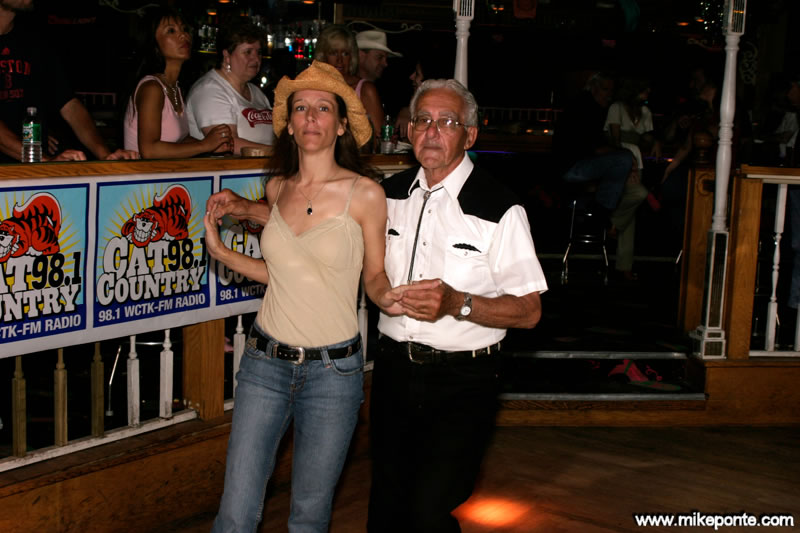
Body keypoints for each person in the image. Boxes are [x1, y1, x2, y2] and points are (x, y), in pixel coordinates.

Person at [203, 60, 428, 532]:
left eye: (323, 108)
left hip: (333, 373)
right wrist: (222, 253)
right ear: (288, 124)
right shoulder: (276, 188)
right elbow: (282, 274)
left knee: (308, 517)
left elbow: (373, 275)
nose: (310, 116)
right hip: (264, 364)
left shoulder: (365, 193)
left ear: (341, 124)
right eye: (300, 108)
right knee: (235, 514)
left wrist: (388, 297)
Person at [367, 78, 548, 532]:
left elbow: (529, 311)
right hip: (392, 370)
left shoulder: (500, 207)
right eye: (422, 120)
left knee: (430, 509)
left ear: (469, 135)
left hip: (462, 379)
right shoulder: (386, 196)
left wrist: (457, 303)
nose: (431, 131)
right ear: (409, 130)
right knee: (386, 506)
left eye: (446, 122)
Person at [0, 0, 138, 162]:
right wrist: (44, 162)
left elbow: (69, 104)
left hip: (33, 166)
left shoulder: (33, 40)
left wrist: (106, 155)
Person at [122, 7, 232, 159]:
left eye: (184, 29)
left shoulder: (175, 88)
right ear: (154, 44)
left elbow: (179, 141)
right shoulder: (152, 88)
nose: (183, 35)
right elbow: (149, 150)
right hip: (144, 174)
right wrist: (204, 145)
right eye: (171, 31)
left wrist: (212, 145)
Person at [553, 72, 634, 224]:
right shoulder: (584, 107)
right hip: (570, 167)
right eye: (605, 89)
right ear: (593, 88)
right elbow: (595, 148)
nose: (609, 95)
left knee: (623, 164)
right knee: (624, 160)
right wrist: (623, 153)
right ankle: (601, 214)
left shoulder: (590, 106)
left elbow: (595, 146)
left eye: (611, 91)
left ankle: (598, 212)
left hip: (571, 166)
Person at [186, 20, 273, 156]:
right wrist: (279, 154)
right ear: (227, 56)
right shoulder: (209, 90)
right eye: (248, 52)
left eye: (259, 52)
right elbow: (227, 144)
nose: (256, 59)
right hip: (230, 170)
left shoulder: (256, 92)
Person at [603, 76, 653, 281]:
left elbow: (647, 138)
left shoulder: (645, 112)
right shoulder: (616, 108)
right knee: (637, 194)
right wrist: (626, 160)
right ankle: (614, 224)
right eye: (644, 90)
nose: (647, 94)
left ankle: (624, 265)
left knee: (631, 209)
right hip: (619, 160)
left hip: (637, 160)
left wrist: (655, 141)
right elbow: (614, 139)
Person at [315, 24, 384, 148]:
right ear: (323, 57)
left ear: (352, 57)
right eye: (333, 53)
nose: (340, 60)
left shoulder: (365, 90)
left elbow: (379, 140)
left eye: (345, 54)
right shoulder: (312, 88)